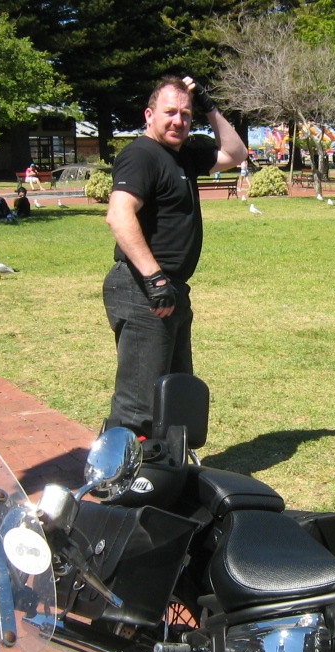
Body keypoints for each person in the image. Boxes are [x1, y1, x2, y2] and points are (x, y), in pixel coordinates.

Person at [102, 74, 247, 435]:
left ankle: (167, 465)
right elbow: (119, 215)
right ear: (149, 115)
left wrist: (209, 106)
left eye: (185, 113)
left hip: (173, 290)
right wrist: (154, 279)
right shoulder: (141, 155)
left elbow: (235, 153)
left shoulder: (184, 156)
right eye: (169, 112)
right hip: (142, 289)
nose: (178, 120)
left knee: (175, 394)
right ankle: (117, 469)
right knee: (138, 405)